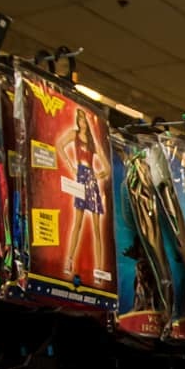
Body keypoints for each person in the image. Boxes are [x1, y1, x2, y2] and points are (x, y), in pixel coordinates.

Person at [60, 108, 109, 280]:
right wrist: (71, 166)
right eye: (80, 119)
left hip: (91, 179)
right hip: (81, 176)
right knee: (78, 223)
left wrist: (99, 175)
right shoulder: (74, 134)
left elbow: (107, 167)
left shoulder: (92, 142)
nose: (83, 123)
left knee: (96, 228)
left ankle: (99, 270)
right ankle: (69, 260)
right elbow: (59, 145)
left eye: (84, 120)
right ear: (77, 121)